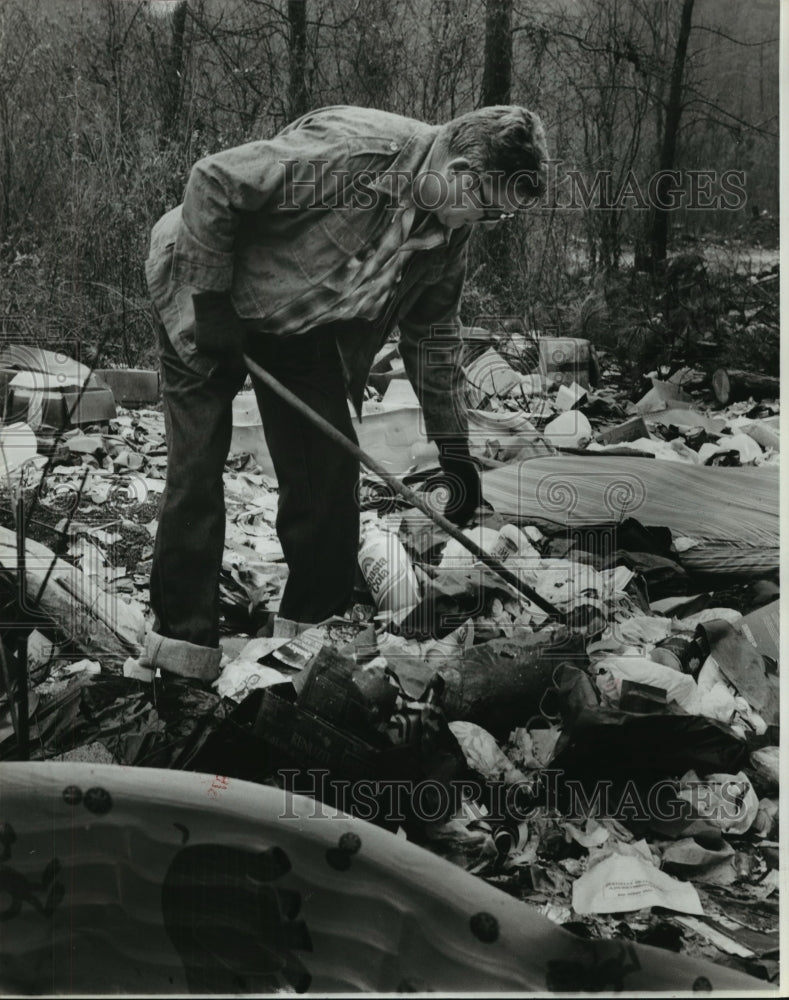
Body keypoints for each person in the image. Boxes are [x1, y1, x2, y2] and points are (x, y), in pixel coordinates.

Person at [143, 104, 548, 684]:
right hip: (201, 286)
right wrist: (210, 304)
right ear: (459, 171)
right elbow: (214, 180)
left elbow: (433, 336)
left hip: (301, 323)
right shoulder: (354, 155)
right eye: (488, 208)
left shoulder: (447, 233)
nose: (482, 223)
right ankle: (181, 656)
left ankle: (305, 643)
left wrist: (455, 450)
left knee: (328, 478)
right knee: (199, 467)